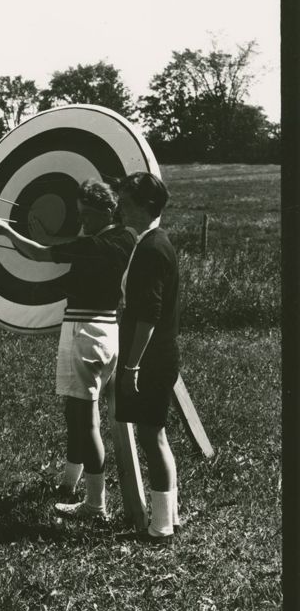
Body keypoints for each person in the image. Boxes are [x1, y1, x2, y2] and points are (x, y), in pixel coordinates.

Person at [0, 179, 136, 519]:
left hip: (84, 331)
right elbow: (72, 244)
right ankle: (70, 482)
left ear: (107, 211)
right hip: (108, 328)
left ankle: (96, 505)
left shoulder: (93, 246)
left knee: (86, 421)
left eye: (86, 215)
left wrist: (6, 230)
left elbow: (37, 253)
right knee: (77, 412)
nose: (81, 222)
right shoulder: (126, 237)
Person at [114, 172, 182, 541]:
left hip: (150, 358)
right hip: (158, 354)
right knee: (156, 436)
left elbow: (148, 315)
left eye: (125, 202)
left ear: (145, 206)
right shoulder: (154, 241)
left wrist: (131, 366)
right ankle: (168, 517)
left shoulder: (151, 248)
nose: (120, 208)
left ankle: (161, 527)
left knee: (151, 437)